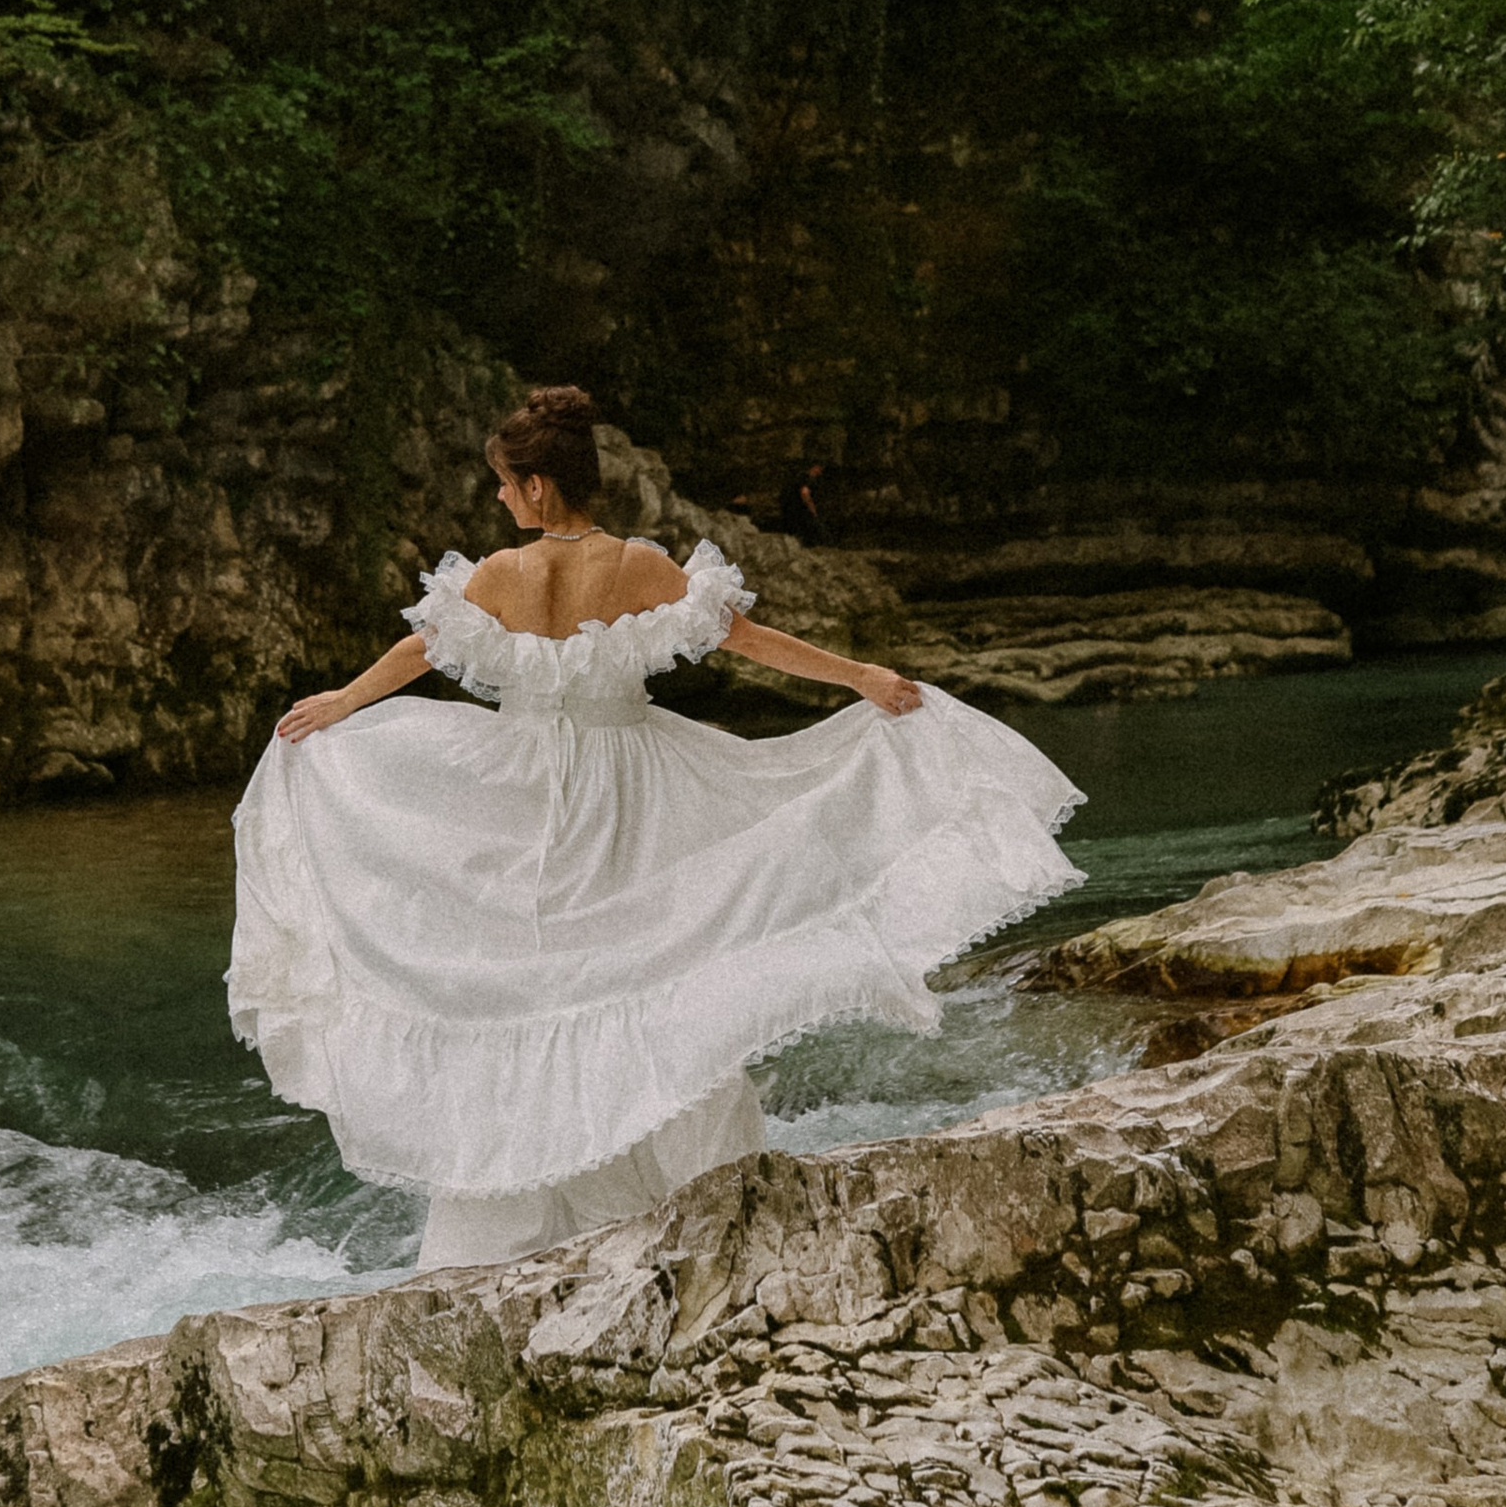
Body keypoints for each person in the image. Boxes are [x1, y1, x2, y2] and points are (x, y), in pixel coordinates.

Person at [227, 383, 1083, 1268]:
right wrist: (858, 674)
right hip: (629, 786)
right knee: (656, 965)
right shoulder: (637, 564)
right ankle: (693, 1196)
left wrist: (342, 702)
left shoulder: (495, 575)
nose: (498, 498)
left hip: (515, 788)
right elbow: (745, 639)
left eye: (506, 484)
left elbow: (421, 652)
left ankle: (523, 1213)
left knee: (532, 984)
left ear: (540, 488)